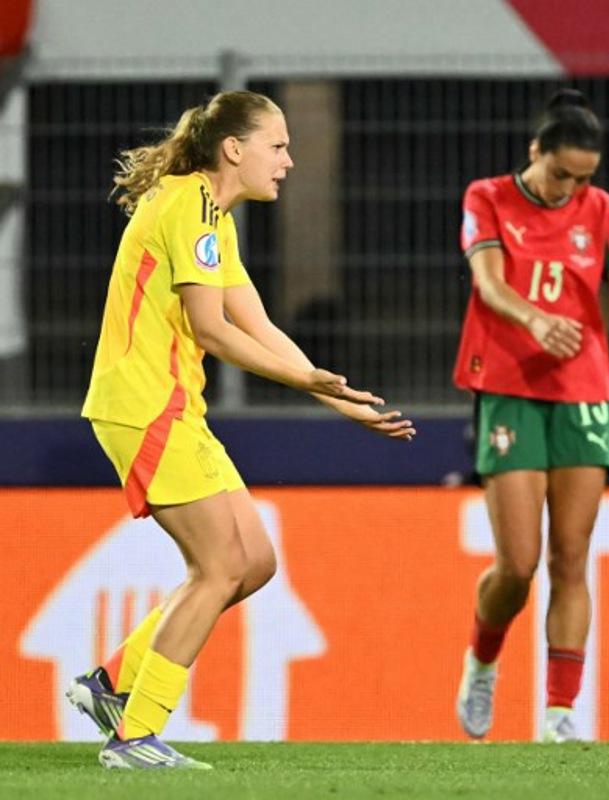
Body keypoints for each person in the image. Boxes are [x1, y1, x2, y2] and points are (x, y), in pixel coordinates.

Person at [68, 91, 414, 769]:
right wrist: (304, 382)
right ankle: (133, 737)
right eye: (277, 146)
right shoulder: (190, 206)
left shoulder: (210, 214)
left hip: (173, 408)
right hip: (145, 407)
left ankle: (111, 683)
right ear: (235, 149)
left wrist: (336, 396)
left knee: (252, 561)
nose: (288, 161)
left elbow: (257, 323)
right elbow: (212, 331)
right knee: (219, 567)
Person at [452, 89, 609, 743]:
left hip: (584, 385)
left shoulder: (601, 208)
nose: (573, 188)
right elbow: (487, 282)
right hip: (508, 382)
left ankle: (560, 714)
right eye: (562, 173)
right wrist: (536, 319)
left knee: (571, 559)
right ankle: (482, 659)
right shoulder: (486, 197)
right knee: (518, 563)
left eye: (585, 177)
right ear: (535, 151)